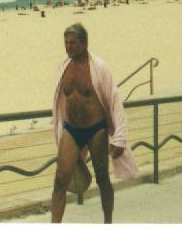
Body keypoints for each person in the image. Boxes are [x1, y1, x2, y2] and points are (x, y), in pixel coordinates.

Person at [50, 23, 137, 223]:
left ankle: (108, 221)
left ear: (84, 42)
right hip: (71, 129)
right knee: (60, 180)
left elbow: (114, 100)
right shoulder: (64, 67)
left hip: (96, 129)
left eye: (73, 43)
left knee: (102, 179)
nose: (68, 47)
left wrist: (119, 138)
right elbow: (60, 100)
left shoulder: (99, 68)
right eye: (66, 42)